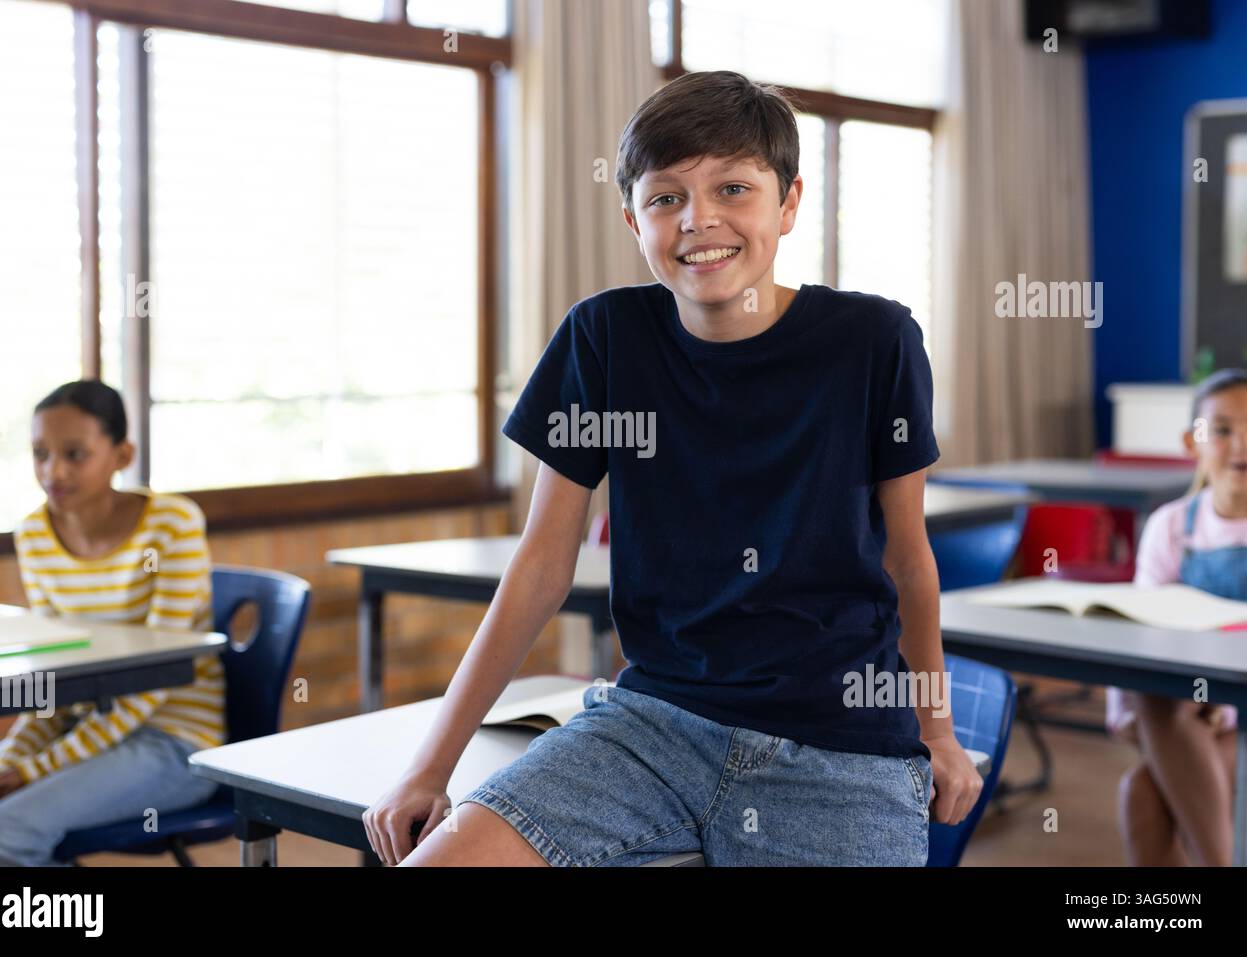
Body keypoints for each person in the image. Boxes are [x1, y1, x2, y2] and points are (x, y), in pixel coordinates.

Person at [364, 70, 982, 866]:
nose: (700, 221)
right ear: (633, 217)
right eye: (666, 198)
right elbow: (545, 560)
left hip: (837, 744)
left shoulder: (875, 340)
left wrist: (936, 730)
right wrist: (427, 767)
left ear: (788, 204)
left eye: (733, 188)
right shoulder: (605, 336)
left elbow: (907, 557)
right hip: (649, 725)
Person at [0, 379, 223, 866]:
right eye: (40, 454)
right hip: (79, 731)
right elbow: (53, 675)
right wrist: (14, 762)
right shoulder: (34, 533)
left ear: (121, 455)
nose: (53, 471)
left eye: (75, 454)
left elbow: (155, 679)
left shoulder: (172, 524)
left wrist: (35, 770)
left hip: (172, 739)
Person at [1111, 367, 1247, 866]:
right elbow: (1143, 634)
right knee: (1158, 701)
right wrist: (1124, 713)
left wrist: (1226, 708)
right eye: (1223, 429)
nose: (1243, 445)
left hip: (1244, 710)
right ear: (1191, 443)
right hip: (1186, 709)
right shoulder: (1171, 526)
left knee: (1142, 791)